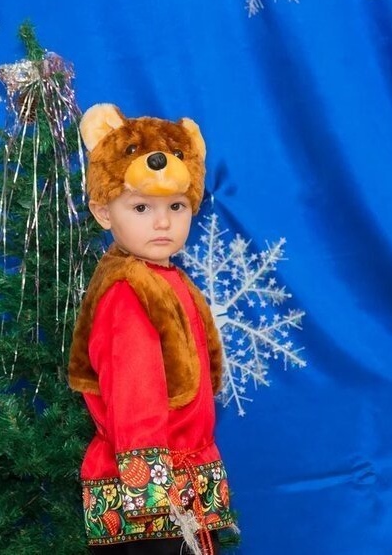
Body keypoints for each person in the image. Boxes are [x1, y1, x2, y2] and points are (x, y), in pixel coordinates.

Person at [69, 104, 235, 555]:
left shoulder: (167, 278)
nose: (162, 223)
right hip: (152, 494)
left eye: (176, 206)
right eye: (141, 207)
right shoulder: (129, 290)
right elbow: (133, 395)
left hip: (183, 477)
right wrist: (151, 491)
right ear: (104, 212)